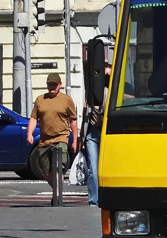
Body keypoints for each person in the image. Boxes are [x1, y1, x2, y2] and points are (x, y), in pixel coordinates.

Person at [26, 73, 78, 188]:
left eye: (54, 84)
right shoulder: (40, 100)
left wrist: (75, 140)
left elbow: (73, 120)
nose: (52, 87)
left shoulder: (67, 100)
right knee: (47, 172)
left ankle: (57, 194)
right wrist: (29, 133)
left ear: (60, 85)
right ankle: (57, 190)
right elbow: (34, 118)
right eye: (50, 84)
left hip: (61, 137)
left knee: (58, 166)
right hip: (44, 140)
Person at [83, 63, 110, 207]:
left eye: (108, 76)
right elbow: (85, 114)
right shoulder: (92, 93)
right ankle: (94, 200)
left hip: (108, 133)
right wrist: (80, 136)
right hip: (92, 133)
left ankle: (107, 198)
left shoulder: (113, 93)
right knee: (93, 168)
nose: (105, 79)